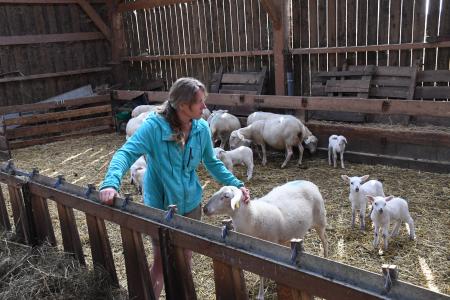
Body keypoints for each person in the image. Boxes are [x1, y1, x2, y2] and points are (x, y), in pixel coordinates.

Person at [98, 77, 249, 298]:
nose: (205, 107)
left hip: (190, 205)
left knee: (185, 259)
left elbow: (211, 162)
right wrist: (110, 183)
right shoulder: (153, 127)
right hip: (160, 206)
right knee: (160, 262)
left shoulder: (200, 129)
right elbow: (125, 153)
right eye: (199, 102)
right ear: (182, 105)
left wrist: (237, 184)